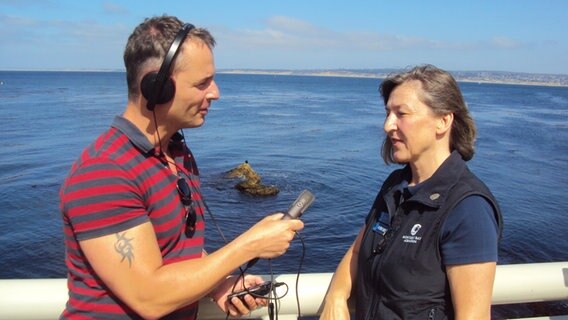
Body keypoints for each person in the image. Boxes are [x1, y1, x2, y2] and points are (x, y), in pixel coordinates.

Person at [59, 15, 304, 319]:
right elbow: (148, 298)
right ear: (156, 87)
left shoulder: (177, 153)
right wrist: (248, 246)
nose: (216, 93)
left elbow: (176, 251)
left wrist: (217, 285)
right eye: (202, 83)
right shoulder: (105, 172)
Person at [320, 65, 502, 320]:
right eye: (387, 113)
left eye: (401, 114)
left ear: (443, 121)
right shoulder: (396, 186)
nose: (387, 125)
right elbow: (357, 251)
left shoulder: (468, 208)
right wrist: (336, 296)